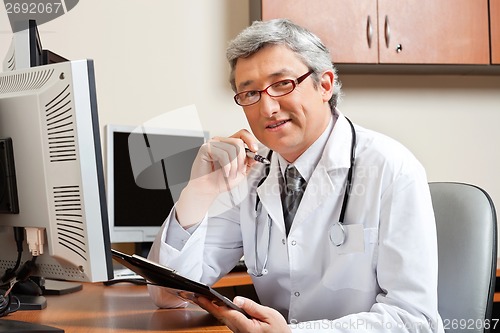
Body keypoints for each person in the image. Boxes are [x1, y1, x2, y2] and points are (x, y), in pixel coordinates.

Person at [147, 19, 444, 333]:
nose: (268, 107)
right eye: (250, 93)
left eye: (282, 84)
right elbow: (169, 295)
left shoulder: (391, 168)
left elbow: (413, 320)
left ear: (325, 85)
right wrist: (198, 192)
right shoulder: (252, 173)